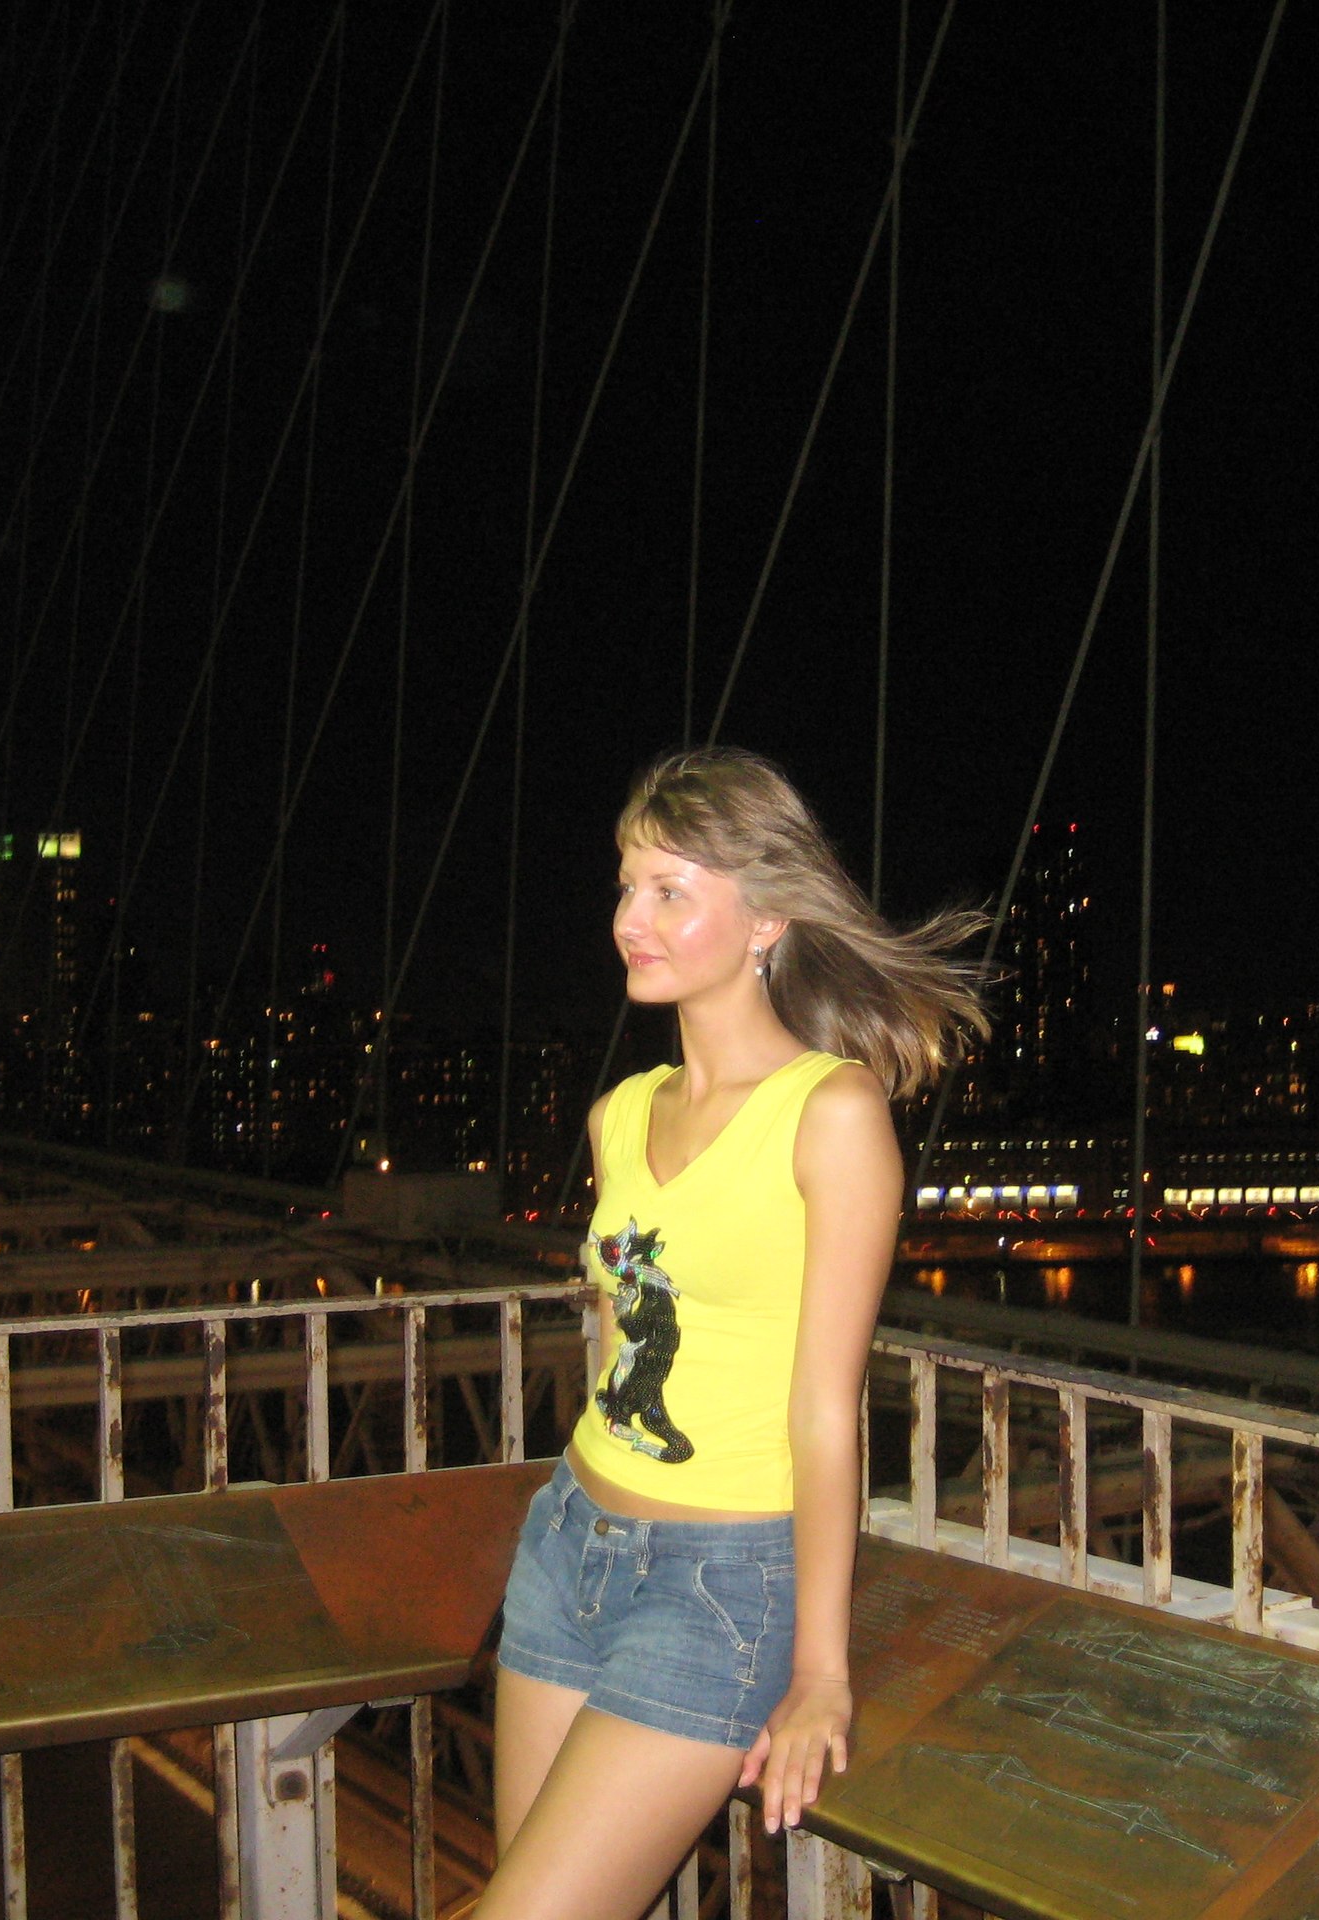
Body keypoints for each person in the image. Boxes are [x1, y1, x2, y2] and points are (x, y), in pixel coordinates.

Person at [476, 748, 987, 1920]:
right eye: (626, 886)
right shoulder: (620, 1115)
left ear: (766, 919)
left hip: (717, 1587)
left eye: (670, 891)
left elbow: (824, 1410)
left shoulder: (831, 1114)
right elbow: (618, 1343)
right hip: (567, 1542)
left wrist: (820, 1673)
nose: (629, 921)